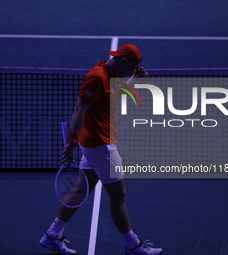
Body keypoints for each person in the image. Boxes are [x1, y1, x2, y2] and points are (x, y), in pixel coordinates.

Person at [40, 44, 162, 255]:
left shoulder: (110, 74)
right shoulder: (97, 77)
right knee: (118, 195)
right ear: (123, 61)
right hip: (100, 145)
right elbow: (79, 109)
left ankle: (52, 235)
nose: (128, 73)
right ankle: (133, 246)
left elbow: (114, 96)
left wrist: (134, 79)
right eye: (130, 68)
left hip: (95, 144)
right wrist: (71, 143)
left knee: (80, 189)